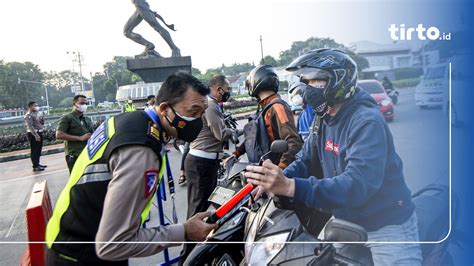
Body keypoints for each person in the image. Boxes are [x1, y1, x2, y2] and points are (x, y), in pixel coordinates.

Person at [244, 49, 422, 265]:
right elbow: (304, 160)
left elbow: (357, 184)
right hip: (345, 219)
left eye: (315, 80)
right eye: (305, 81)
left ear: (339, 81)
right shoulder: (324, 118)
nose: (307, 88)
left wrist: (291, 186)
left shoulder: (366, 121)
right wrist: (274, 181)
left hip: (385, 223)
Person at [45, 71, 217, 265]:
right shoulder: (141, 151)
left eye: (202, 114)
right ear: (164, 109)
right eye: (193, 113)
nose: (198, 122)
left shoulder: (127, 121)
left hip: (65, 239)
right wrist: (184, 230)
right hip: (81, 256)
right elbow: (112, 244)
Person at [179, 75, 237, 262]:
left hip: (206, 162)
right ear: (218, 89)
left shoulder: (212, 104)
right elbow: (220, 134)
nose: (228, 92)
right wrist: (241, 132)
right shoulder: (211, 105)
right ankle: (187, 258)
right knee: (197, 212)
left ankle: (200, 254)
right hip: (201, 163)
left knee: (210, 207)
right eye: (227, 88)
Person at [227, 65, 302, 169]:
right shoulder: (264, 108)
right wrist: (236, 154)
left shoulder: (277, 107)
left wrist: (280, 169)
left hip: (274, 171)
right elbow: (254, 138)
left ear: (254, 83)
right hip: (262, 169)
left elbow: (293, 142)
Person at [56, 95, 94, 172]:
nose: (84, 106)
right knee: (76, 180)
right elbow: (59, 135)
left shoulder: (87, 119)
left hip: (87, 154)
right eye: (82, 103)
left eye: (86, 104)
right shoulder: (67, 118)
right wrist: (80, 138)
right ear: (75, 104)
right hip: (74, 154)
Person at [24, 101, 47, 171]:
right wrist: (36, 135)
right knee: (35, 150)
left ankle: (37, 163)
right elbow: (30, 126)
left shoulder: (37, 114)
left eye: (37, 105)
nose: (37, 107)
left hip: (39, 132)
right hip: (33, 134)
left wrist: (42, 119)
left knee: (39, 149)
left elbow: (41, 123)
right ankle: (35, 166)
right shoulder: (28, 115)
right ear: (30, 107)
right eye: (35, 105)